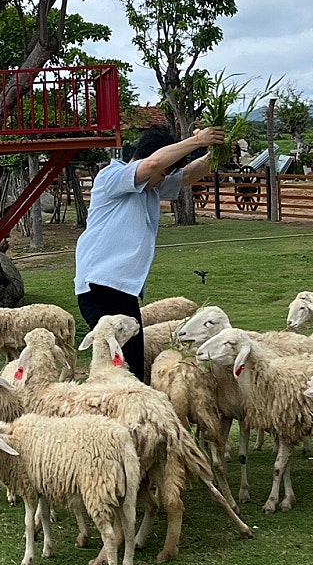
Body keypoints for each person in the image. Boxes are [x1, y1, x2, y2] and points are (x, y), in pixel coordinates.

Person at [73, 125, 226, 382]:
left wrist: (217, 151)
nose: (163, 179)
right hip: (99, 288)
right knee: (119, 372)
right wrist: (196, 140)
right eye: (163, 173)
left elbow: (188, 175)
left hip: (124, 292)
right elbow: (155, 163)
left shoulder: (152, 187)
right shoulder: (113, 177)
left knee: (132, 371)